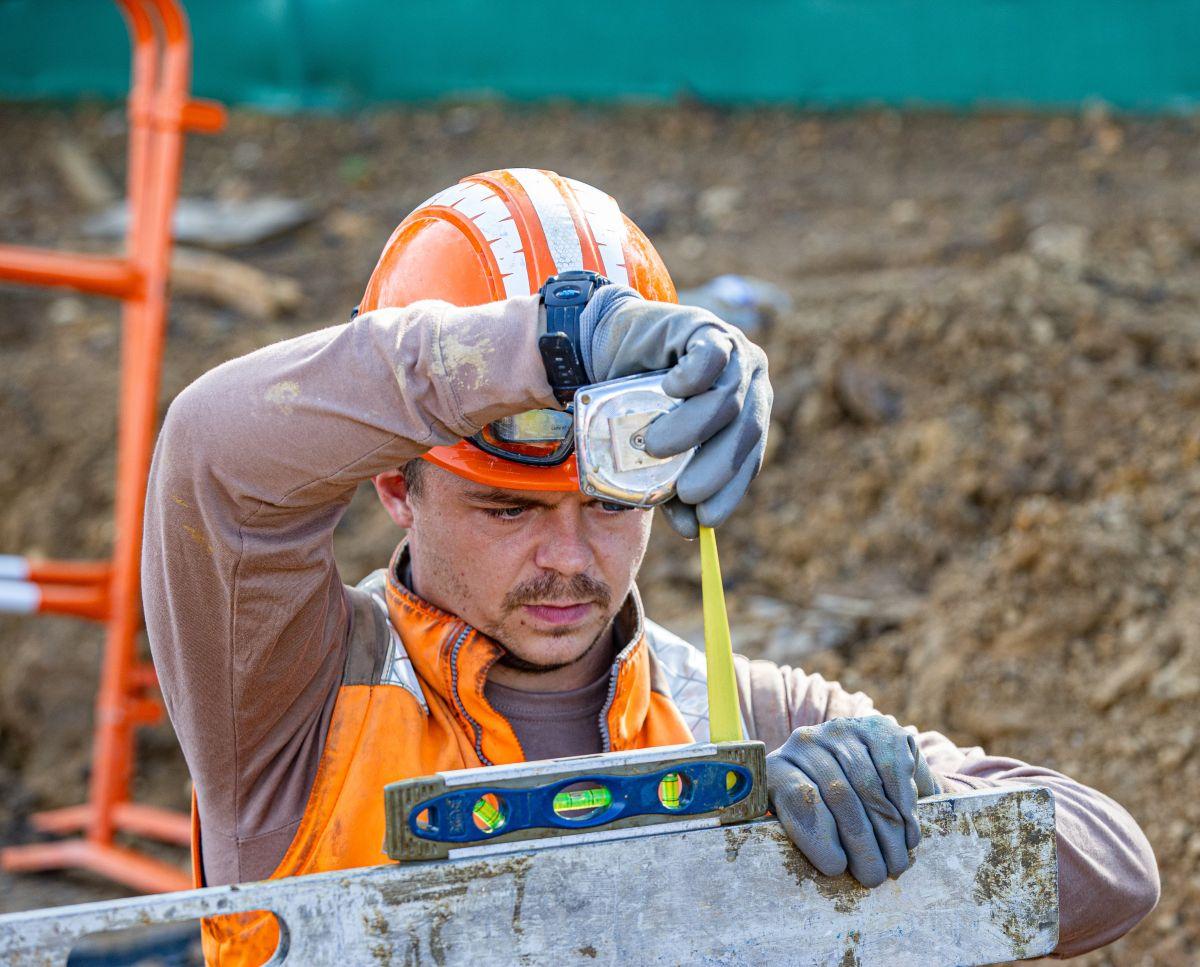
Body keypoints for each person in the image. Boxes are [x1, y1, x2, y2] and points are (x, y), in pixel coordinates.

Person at [143, 169, 1158, 965]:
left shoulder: (733, 715)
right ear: (395, 487)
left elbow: (1116, 869)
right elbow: (213, 455)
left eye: (612, 504)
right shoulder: (290, 701)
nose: (570, 559)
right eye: (507, 507)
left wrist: (909, 817)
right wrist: (553, 340)